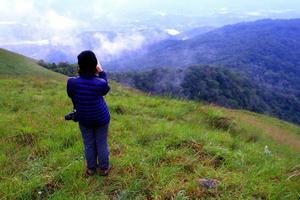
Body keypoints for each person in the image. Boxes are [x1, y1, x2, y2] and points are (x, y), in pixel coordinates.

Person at [66, 50, 111, 176]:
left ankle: (91, 168)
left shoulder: (72, 82)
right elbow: (105, 89)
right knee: (101, 142)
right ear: (95, 66)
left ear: (79, 66)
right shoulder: (99, 83)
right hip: (101, 118)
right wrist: (101, 72)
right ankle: (104, 168)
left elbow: (71, 94)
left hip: (84, 118)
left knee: (89, 143)